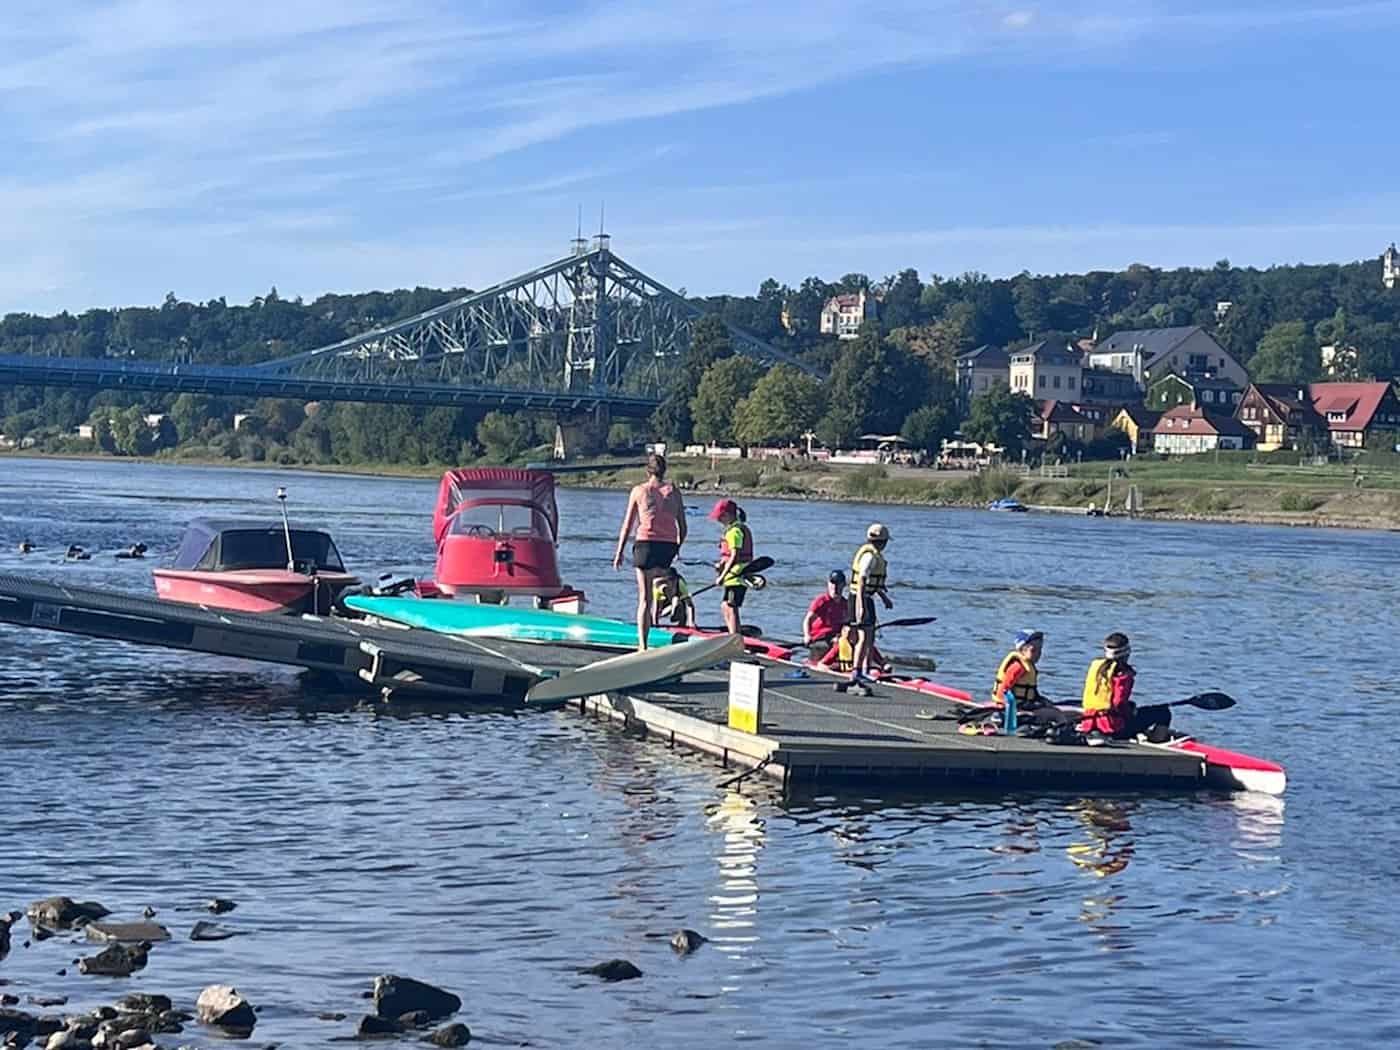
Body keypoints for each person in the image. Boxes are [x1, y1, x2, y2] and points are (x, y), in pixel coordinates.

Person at [613, 452, 686, 649]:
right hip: (667, 545)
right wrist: (678, 547)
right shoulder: (674, 492)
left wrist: (619, 552)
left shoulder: (639, 491)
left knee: (645, 598)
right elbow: (683, 527)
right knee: (661, 577)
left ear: (648, 471)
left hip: (646, 544)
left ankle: (643, 645)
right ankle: (672, 596)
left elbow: (627, 525)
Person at [1078, 632, 1172, 744]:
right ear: (1127, 653)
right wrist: (1131, 711)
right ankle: (1156, 741)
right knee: (1163, 712)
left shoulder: (1096, 666)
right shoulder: (1123, 674)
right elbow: (1118, 704)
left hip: (1089, 722)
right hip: (1113, 728)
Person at [843, 522, 892, 696]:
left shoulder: (873, 556)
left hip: (865, 597)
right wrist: (861, 606)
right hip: (860, 598)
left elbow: (872, 583)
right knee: (863, 637)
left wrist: (884, 597)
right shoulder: (870, 557)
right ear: (883, 542)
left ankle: (864, 669)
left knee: (869, 636)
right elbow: (862, 580)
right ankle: (857, 673)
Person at [709, 499, 753, 636]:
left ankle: (734, 636)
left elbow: (734, 555)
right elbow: (728, 556)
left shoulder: (734, 531)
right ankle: (733, 632)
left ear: (728, 515)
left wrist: (722, 576)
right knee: (725, 605)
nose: (718, 520)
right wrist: (721, 565)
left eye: (720, 517)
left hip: (737, 576)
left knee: (730, 606)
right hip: (732, 575)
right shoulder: (732, 530)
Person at [992, 629, 1051, 708]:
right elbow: (1004, 688)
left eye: (1040, 650)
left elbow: (1031, 691)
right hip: (1016, 705)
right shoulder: (1018, 666)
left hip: (1025, 702)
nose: (1038, 654)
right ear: (1022, 649)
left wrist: (1040, 699)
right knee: (1054, 715)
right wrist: (1004, 705)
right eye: (1033, 650)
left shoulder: (1029, 665)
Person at [802, 570, 850, 661]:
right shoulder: (821, 601)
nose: (835, 587)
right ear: (828, 584)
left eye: (838, 583)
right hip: (819, 638)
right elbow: (807, 620)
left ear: (844, 585)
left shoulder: (845, 604)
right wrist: (807, 636)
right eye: (832, 583)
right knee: (840, 643)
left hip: (835, 638)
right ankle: (822, 663)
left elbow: (847, 625)